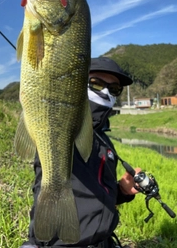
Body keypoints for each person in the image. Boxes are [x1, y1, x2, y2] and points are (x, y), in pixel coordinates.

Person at [21, 56, 141, 248]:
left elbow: (92, 193)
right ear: (76, 83)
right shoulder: (59, 129)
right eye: (95, 84)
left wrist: (122, 191)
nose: (106, 92)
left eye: (114, 89)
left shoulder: (106, 143)